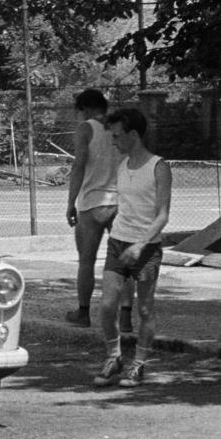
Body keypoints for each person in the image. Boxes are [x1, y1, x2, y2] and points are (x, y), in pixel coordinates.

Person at [94, 107, 172, 387]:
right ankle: (114, 357)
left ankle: (138, 365)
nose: (113, 142)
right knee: (106, 305)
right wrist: (110, 216)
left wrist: (140, 245)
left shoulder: (159, 167)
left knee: (145, 310)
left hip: (146, 247)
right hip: (118, 241)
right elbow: (127, 205)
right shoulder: (122, 166)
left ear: (134, 135)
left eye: (117, 136)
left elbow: (162, 215)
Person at [64, 88, 132, 337]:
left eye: (79, 111)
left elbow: (79, 164)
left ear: (86, 108)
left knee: (86, 261)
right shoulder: (121, 126)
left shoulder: (86, 128)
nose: (79, 117)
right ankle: (125, 318)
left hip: (92, 203)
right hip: (121, 202)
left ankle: (83, 313)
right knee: (123, 262)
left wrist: (71, 201)